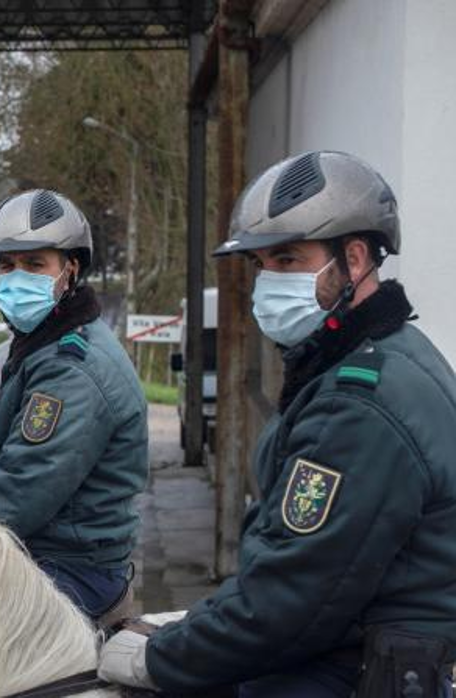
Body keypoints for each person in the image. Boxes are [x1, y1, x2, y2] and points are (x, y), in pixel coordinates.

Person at [98, 151, 456, 697]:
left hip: (362, 668)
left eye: (288, 260)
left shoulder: (359, 404)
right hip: (353, 642)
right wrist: (197, 622)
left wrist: (158, 659)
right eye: (261, 264)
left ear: (354, 258)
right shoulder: (376, 356)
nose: (268, 282)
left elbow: (294, 597)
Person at [0, 189, 148, 622]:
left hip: (71, 572)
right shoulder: (45, 346)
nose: (16, 276)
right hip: (47, 556)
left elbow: (17, 492)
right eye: (6, 266)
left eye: (35, 264)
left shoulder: (72, 369)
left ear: (70, 270)